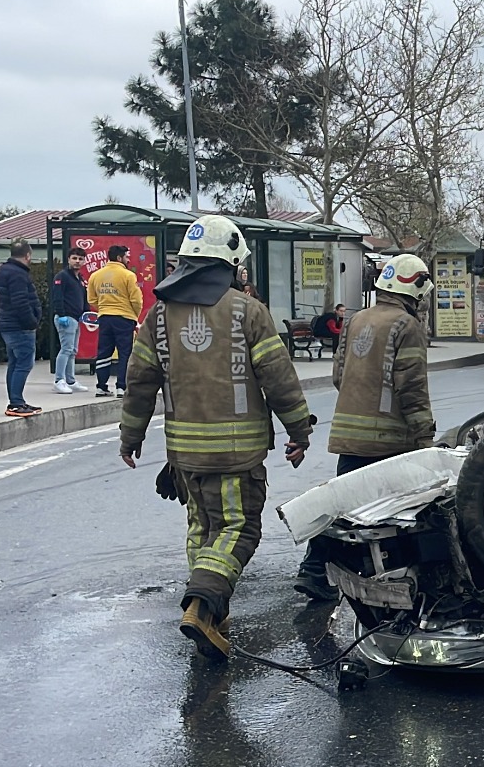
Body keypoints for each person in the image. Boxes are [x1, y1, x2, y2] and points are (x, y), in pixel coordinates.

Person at [118, 215, 315, 661]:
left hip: (184, 456)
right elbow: (279, 378)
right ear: (228, 261)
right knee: (237, 528)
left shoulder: (159, 315)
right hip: (236, 456)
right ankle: (202, 606)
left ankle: (212, 610)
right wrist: (299, 430)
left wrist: (130, 437)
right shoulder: (248, 311)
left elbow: (139, 382)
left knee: (201, 527)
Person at [294, 255, 436, 600]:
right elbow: (412, 387)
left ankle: (314, 570)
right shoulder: (407, 326)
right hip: (388, 439)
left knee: (343, 504)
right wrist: (425, 438)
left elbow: (339, 375)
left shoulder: (357, 320)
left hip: (348, 434)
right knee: (402, 513)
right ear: (414, 288)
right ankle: (395, 579)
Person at [0, 240, 44, 418]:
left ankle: (17, 400)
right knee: (24, 363)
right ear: (28, 255)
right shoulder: (18, 274)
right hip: (18, 326)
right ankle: (15, 403)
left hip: (7, 323)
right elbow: (20, 302)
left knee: (15, 363)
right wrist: (31, 321)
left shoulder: (5, 271)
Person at [87, 245, 143, 397]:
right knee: (125, 352)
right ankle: (121, 387)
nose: (128, 259)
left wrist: (103, 308)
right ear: (119, 258)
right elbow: (136, 300)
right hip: (124, 318)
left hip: (104, 317)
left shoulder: (96, 276)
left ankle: (101, 386)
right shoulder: (128, 275)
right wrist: (134, 315)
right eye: (126, 256)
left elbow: (91, 299)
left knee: (104, 351)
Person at [49, 249, 92, 394]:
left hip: (76, 318)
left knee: (72, 351)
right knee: (66, 349)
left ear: (84, 261)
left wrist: (86, 313)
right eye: (74, 258)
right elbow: (57, 297)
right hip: (66, 317)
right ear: (68, 259)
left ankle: (70, 380)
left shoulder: (80, 278)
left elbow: (83, 297)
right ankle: (59, 380)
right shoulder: (62, 276)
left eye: (80, 258)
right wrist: (61, 314)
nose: (77, 261)